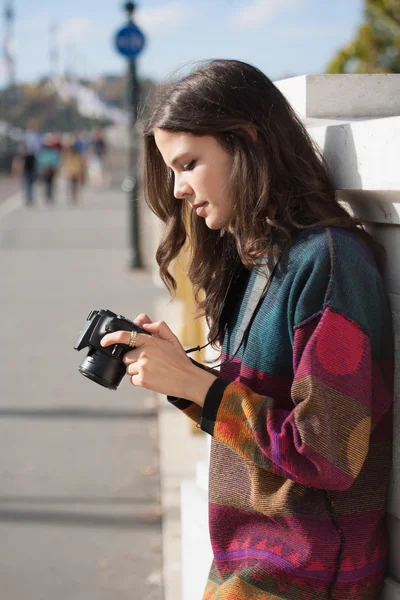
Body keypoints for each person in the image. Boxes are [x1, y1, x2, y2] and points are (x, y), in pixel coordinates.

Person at [100, 60, 394, 600]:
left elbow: (326, 452)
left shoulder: (328, 263)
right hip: (246, 565)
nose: (179, 188)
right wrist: (181, 376)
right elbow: (263, 419)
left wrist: (198, 386)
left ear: (247, 141)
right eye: (170, 171)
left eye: (188, 163)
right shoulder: (260, 258)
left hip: (304, 578)